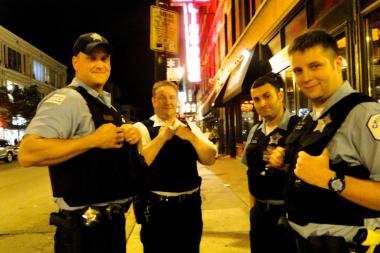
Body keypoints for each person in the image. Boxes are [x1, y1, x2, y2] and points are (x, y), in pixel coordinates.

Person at [18, 32, 145, 253]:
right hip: (84, 234)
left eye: (104, 59)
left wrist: (129, 134)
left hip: (111, 226)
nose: (100, 64)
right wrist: (93, 140)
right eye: (91, 58)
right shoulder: (67, 100)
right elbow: (28, 153)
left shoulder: (109, 107)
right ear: (75, 62)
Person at [282, 29, 380, 252]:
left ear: (338, 63)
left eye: (315, 66)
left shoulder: (366, 115)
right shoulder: (312, 117)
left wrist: (330, 179)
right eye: (298, 70)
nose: (305, 78)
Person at [134, 80, 217, 253]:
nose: (168, 101)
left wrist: (191, 138)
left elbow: (210, 158)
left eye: (172, 97)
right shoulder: (142, 128)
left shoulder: (190, 127)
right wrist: (161, 138)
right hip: (158, 211)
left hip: (190, 209)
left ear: (177, 101)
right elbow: (138, 165)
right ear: (153, 101)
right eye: (162, 97)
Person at [241, 72, 299, 253]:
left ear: (280, 95)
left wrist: (286, 166)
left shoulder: (300, 128)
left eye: (267, 96)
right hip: (259, 216)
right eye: (256, 99)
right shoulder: (255, 131)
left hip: (290, 217)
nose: (262, 103)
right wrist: (255, 207)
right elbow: (250, 171)